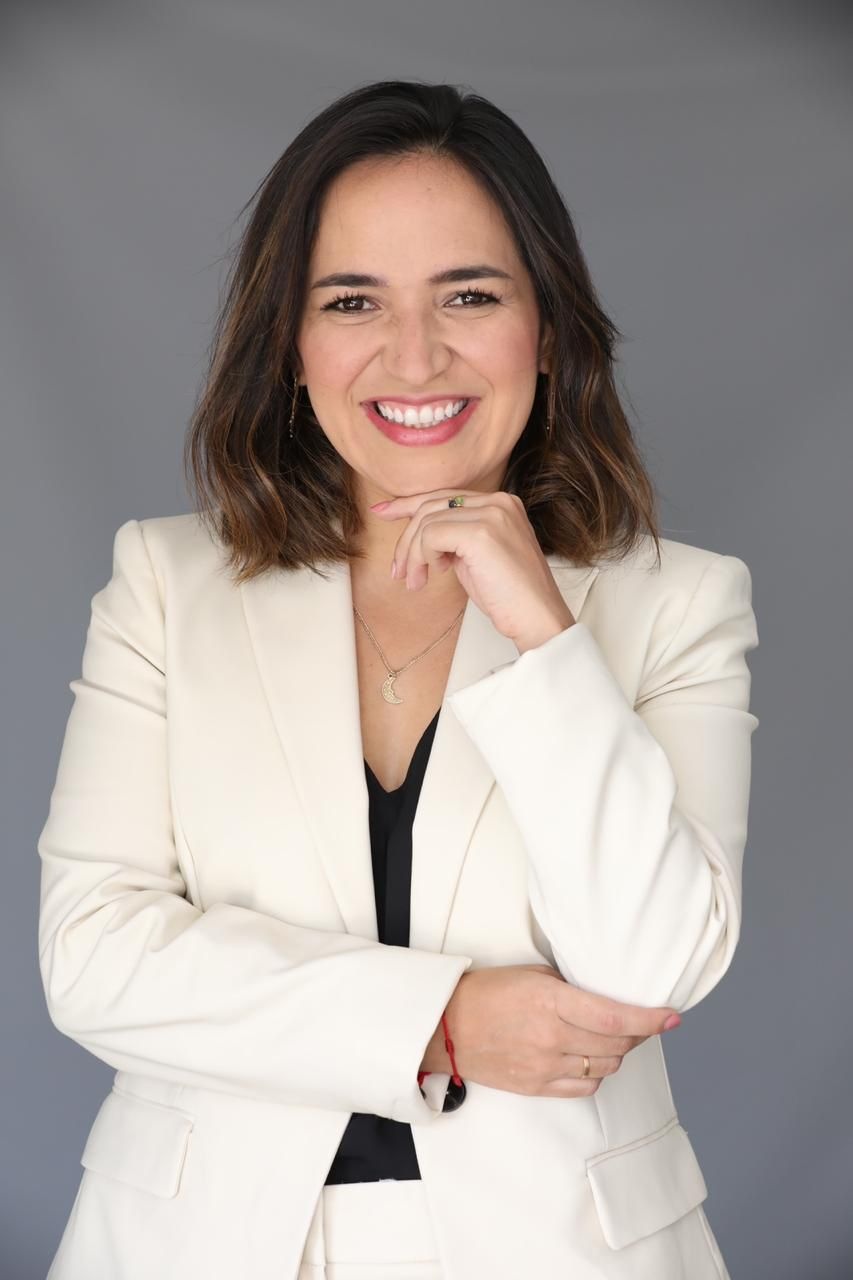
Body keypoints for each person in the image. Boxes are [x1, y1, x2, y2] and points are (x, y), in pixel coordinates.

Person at [37, 79, 758, 1280]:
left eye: (469, 295)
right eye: (352, 300)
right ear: (291, 343)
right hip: (196, 1243)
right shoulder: (165, 584)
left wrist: (545, 634)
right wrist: (443, 1019)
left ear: (548, 329)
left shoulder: (677, 600)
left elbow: (651, 965)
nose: (413, 354)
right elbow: (94, 957)